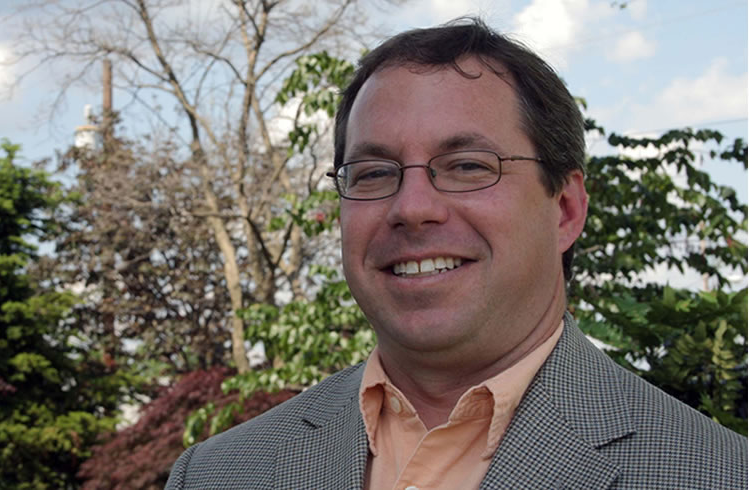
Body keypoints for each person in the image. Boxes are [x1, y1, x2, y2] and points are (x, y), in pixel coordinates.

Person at [167, 17, 747, 490]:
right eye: (372, 173)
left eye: (467, 166)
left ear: (565, 210)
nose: (412, 207)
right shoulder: (217, 473)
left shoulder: (715, 474)